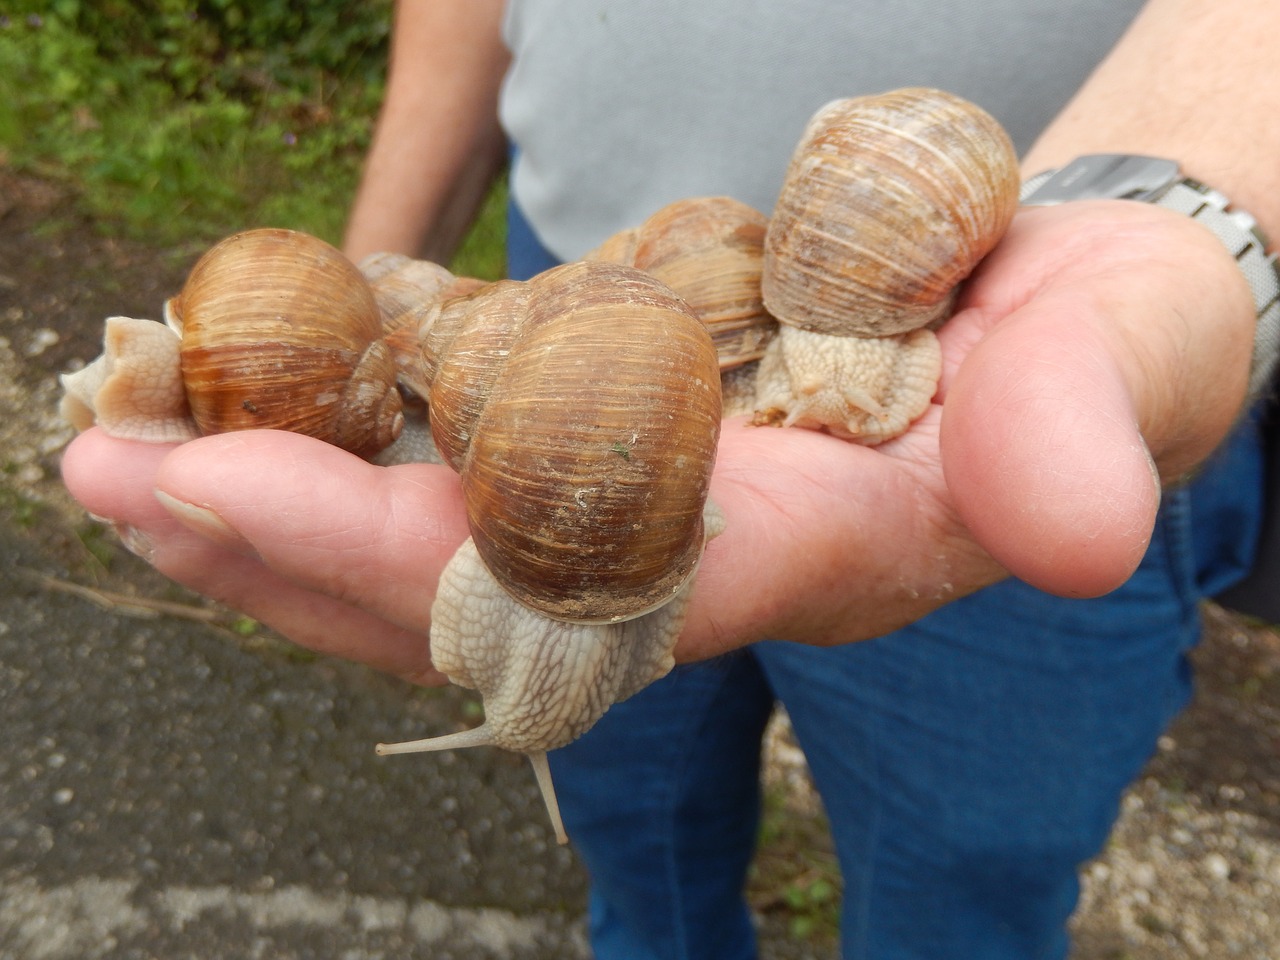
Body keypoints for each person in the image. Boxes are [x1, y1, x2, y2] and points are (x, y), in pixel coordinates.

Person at [60, 1, 1280, 957]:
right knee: (634, 819)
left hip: (994, 331)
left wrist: (1193, 205)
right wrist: (369, 284)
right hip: (562, 287)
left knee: (966, 871)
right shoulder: (508, 344)